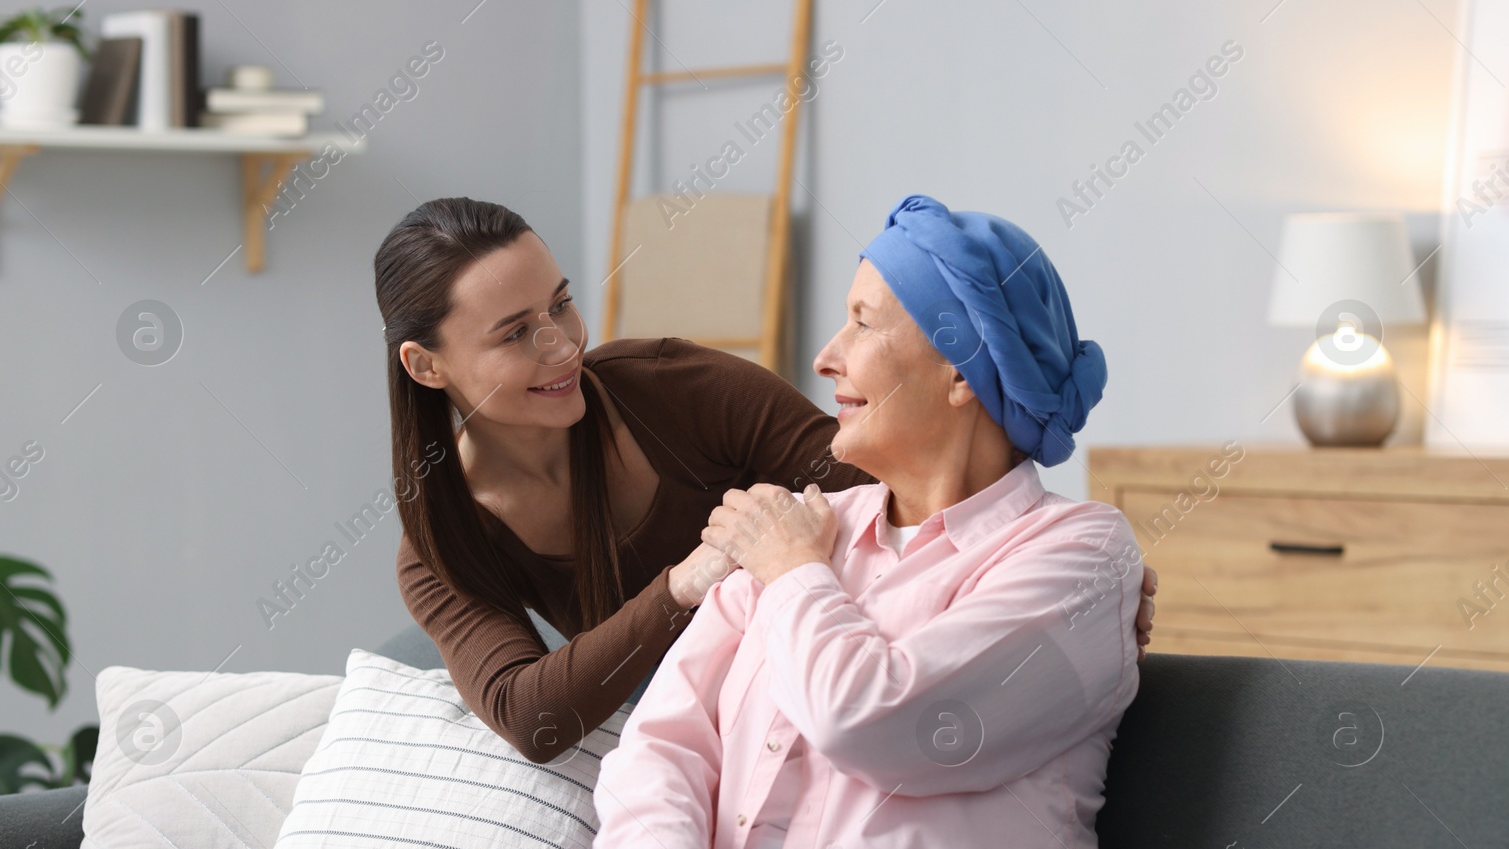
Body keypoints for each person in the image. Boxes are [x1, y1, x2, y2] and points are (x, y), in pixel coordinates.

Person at [309, 194, 1145, 849]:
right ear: (427, 365)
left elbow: (879, 718)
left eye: (860, 322)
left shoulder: (1045, 554)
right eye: (515, 331)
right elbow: (664, 734)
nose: (825, 356)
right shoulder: (805, 530)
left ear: (964, 370)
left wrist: (792, 567)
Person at [378, 197, 1157, 766]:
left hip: (804, 710)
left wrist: (1063, 572)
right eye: (516, 334)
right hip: (689, 759)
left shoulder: (670, 387)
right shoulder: (439, 545)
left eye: (561, 305)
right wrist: (683, 584)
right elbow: (533, 716)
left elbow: (899, 470)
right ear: (426, 364)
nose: (561, 347)